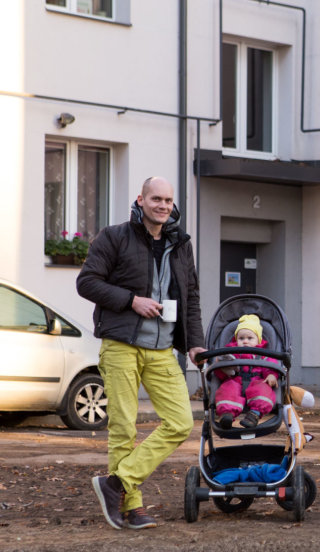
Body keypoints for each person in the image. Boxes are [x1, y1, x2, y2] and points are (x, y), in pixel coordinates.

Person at [77, 176, 205, 530]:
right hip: (121, 345)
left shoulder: (181, 244)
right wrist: (131, 301)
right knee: (123, 429)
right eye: (156, 199)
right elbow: (86, 282)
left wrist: (194, 342)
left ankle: (116, 483)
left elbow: (190, 295)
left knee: (181, 422)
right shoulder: (115, 236)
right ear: (141, 199)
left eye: (168, 200)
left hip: (163, 348)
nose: (162, 206)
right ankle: (131, 508)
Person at [213, 314, 279, 429]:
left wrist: (271, 375)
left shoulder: (263, 354)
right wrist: (220, 365)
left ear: (258, 339)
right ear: (236, 339)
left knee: (264, 389)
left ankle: (254, 414)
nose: (245, 341)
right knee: (227, 389)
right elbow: (221, 375)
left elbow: (271, 366)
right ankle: (226, 414)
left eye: (250, 338)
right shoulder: (231, 353)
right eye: (241, 338)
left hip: (257, 381)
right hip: (235, 380)